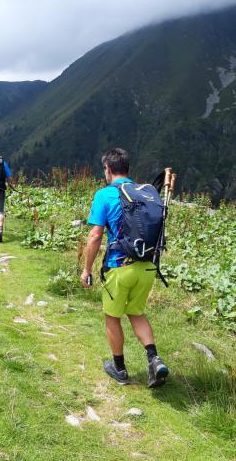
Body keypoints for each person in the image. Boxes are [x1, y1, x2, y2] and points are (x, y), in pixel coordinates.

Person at [81, 148, 169, 388]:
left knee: (112, 317)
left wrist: (87, 269)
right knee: (136, 313)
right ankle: (154, 358)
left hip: (119, 267)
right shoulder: (146, 193)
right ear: (128, 169)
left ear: (108, 170)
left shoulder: (105, 195)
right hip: (148, 266)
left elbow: (95, 235)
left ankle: (119, 368)